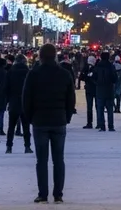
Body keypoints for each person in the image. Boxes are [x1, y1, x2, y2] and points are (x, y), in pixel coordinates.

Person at [22, 43, 76, 204]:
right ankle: (58, 194)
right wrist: (66, 117)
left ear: (40, 56)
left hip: (40, 121)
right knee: (59, 159)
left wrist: (30, 117)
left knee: (41, 160)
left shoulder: (33, 74)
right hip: (59, 120)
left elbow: (26, 99)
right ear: (55, 56)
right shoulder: (64, 74)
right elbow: (70, 99)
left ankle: (43, 194)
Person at [5, 54, 32, 153]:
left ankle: (9, 146)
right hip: (25, 102)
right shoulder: (28, 72)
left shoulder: (10, 72)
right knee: (26, 126)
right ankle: (27, 146)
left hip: (13, 101)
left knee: (11, 126)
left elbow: (6, 87)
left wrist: (7, 100)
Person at [92, 51, 117, 132]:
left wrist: (97, 83)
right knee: (110, 109)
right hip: (109, 90)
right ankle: (111, 126)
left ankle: (102, 126)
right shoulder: (111, 66)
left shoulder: (97, 66)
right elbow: (114, 78)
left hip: (99, 90)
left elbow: (94, 77)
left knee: (100, 109)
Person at [79, 54, 96, 129]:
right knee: (98, 106)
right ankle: (100, 123)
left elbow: (81, 77)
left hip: (88, 89)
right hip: (95, 89)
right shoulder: (96, 68)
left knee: (89, 107)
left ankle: (89, 122)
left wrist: (86, 78)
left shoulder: (85, 68)